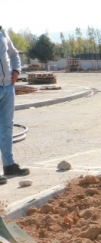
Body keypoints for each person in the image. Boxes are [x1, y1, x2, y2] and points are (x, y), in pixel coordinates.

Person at [0, 26, 29, 186]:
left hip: (7, 88)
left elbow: (13, 53)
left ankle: (9, 165)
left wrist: (16, 70)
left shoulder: (2, 31)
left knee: (7, 127)